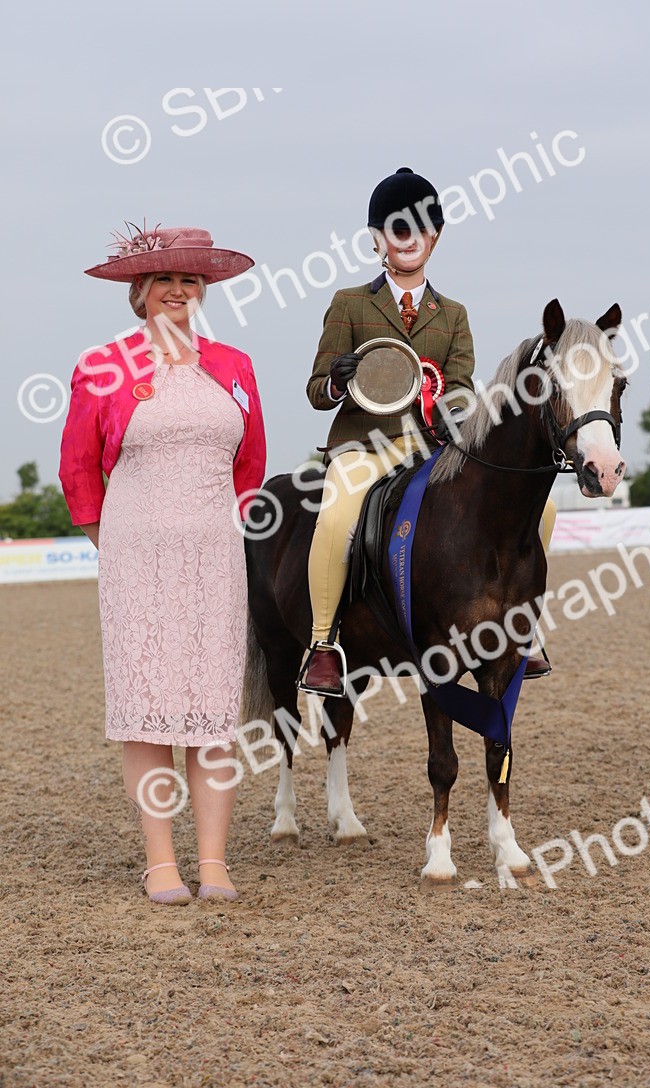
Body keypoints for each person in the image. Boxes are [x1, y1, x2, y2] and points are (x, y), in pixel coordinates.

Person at [59, 224, 266, 905]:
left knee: (211, 709)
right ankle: (160, 864)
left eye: (191, 280)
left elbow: (251, 461)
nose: (179, 290)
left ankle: (212, 863)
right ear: (140, 290)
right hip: (135, 554)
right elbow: (79, 466)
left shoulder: (235, 364)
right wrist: (105, 537)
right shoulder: (101, 367)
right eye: (166, 280)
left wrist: (227, 522)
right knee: (148, 710)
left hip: (215, 552)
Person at [303, 168, 554, 694]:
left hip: (432, 448)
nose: (410, 237)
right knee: (337, 515)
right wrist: (339, 379)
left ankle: (523, 628)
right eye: (397, 228)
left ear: (434, 238)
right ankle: (323, 645)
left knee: (544, 508)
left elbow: (461, 386)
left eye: (422, 227)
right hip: (364, 445)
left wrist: (448, 411)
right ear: (378, 240)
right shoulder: (350, 304)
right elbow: (315, 390)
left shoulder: (454, 315)